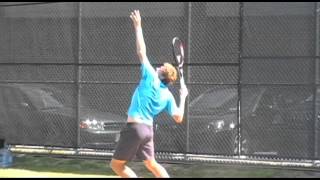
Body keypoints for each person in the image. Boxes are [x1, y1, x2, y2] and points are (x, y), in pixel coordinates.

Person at [109, 10, 189, 178]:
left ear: (162, 74)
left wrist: (138, 27)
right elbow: (179, 117)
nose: (158, 67)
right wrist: (182, 98)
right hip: (148, 130)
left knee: (116, 165)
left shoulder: (151, 76)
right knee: (152, 164)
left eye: (161, 67)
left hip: (135, 128)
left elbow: (141, 52)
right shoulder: (168, 95)